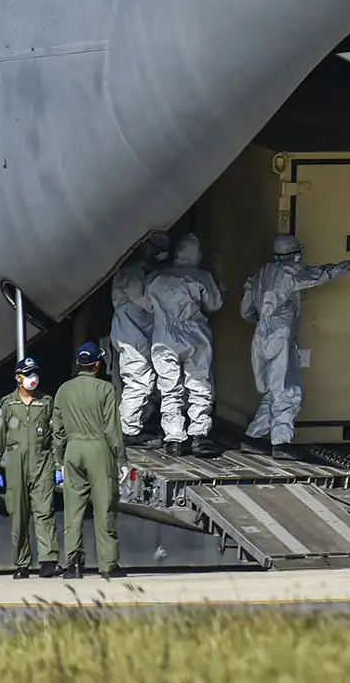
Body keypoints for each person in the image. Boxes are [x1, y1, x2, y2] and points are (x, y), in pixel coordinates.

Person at [240, 234, 350, 458]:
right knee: (289, 390)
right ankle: (281, 443)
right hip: (281, 336)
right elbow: (320, 274)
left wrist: (265, 320)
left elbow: (246, 311)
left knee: (273, 391)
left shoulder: (259, 274)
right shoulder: (290, 272)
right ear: (295, 253)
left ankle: (253, 437)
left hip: (260, 337)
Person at [145, 232, 225, 458]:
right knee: (199, 381)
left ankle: (174, 438)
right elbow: (214, 304)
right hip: (194, 335)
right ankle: (199, 435)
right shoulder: (201, 277)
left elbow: (148, 306)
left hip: (164, 336)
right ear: (196, 254)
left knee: (169, 386)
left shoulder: (156, 277)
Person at [53, 343, 127, 580]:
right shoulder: (105, 390)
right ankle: (108, 564)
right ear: (97, 364)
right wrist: (122, 459)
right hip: (98, 449)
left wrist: (59, 460)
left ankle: (74, 564)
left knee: (73, 511)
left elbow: (58, 431)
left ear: (78, 363)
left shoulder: (63, 390)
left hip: (73, 450)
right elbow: (112, 430)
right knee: (104, 508)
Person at [0, 357, 63, 579]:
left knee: (44, 512)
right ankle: (21, 563)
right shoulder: (7, 404)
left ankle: (48, 561)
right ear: (18, 377)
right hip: (15, 463)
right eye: (28, 374)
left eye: (35, 373)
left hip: (41, 462)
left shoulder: (46, 402)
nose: (33, 378)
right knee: (18, 514)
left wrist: (58, 465)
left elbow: (55, 436)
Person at [113, 232, 169, 447]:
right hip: (130, 335)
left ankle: (137, 422)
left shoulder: (142, 272)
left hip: (139, 333)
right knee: (139, 381)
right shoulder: (131, 274)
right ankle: (128, 429)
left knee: (148, 381)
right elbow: (148, 302)